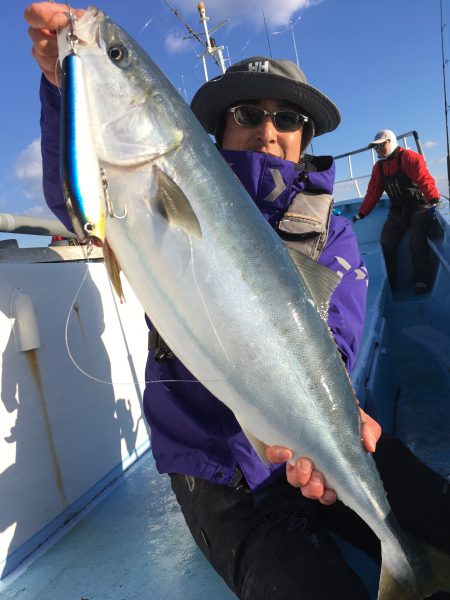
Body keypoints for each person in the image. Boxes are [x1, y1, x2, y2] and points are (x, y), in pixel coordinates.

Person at [25, 4, 450, 598]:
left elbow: (339, 338)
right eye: (248, 113)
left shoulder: (333, 233)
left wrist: (328, 423)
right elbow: (72, 195)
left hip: (316, 431)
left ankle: (400, 555)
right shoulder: (140, 187)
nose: (268, 129)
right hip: (217, 468)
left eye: (288, 118)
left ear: (304, 139)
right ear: (218, 130)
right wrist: (61, 86)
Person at [353, 129, 440, 295]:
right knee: (386, 242)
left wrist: (434, 200)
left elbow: (424, 179)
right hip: (398, 211)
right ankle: (390, 282)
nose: (378, 150)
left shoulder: (409, 157)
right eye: (375, 147)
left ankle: (421, 280)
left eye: (380, 145)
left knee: (417, 240)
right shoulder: (378, 168)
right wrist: (362, 213)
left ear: (390, 142)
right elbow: (373, 192)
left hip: (418, 208)